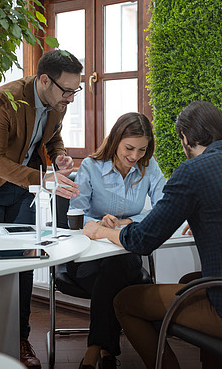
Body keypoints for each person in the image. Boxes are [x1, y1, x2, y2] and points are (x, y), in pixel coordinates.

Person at [83, 101, 222, 369]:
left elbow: (142, 241)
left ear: (184, 137)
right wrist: (208, 220)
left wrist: (101, 231)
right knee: (189, 280)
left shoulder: (193, 171)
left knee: (124, 302)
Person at [0, 49, 82, 369]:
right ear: (44, 80)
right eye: (68, 90)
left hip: (26, 191)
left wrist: (59, 157)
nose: (72, 98)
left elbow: (51, 139)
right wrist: (46, 179)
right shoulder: (3, 100)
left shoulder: (56, 102)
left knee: (24, 261)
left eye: (76, 90)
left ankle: (21, 340)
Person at [67, 112, 166, 369]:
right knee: (112, 277)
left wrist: (128, 223)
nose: (135, 156)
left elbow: (163, 209)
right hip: (87, 257)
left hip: (125, 254)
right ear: (115, 140)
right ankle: (106, 353)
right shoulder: (90, 166)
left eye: (142, 150)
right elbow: (77, 215)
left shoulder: (149, 166)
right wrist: (99, 223)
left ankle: (94, 350)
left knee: (115, 267)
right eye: (129, 148)